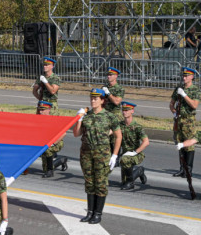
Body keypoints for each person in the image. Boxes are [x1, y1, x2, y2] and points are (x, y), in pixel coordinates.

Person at [73, 88, 122, 224]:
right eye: (91, 98)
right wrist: (79, 119)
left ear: (102, 100)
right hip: (86, 154)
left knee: (100, 184)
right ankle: (90, 212)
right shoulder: (86, 115)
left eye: (96, 98)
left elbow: (118, 136)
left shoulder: (109, 116)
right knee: (89, 183)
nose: (93, 101)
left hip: (102, 155)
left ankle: (98, 213)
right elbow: (76, 134)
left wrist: (114, 155)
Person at [170, 67, 200, 177]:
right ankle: (182, 168)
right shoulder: (178, 88)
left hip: (189, 121)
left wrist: (184, 95)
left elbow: (194, 105)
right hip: (179, 120)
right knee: (180, 144)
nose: (184, 78)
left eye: (186, 76)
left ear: (192, 77)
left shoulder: (195, 90)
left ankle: (189, 170)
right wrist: (174, 112)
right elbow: (171, 104)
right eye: (183, 75)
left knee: (189, 145)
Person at [118, 101, 149, 190]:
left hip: (136, 154)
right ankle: (139, 171)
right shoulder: (120, 125)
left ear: (132, 111)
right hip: (125, 154)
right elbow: (111, 132)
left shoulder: (137, 127)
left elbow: (146, 142)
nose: (124, 112)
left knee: (125, 160)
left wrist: (134, 152)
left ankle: (130, 183)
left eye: (127, 110)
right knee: (123, 182)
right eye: (123, 110)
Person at [37, 100, 63, 178]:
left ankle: (50, 171)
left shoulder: (53, 121)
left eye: (43, 110)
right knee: (45, 168)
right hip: (44, 144)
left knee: (48, 149)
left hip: (57, 142)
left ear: (49, 110)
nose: (40, 112)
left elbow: (63, 133)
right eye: (40, 109)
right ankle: (61, 161)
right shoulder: (38, 120)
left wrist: (53, 143)